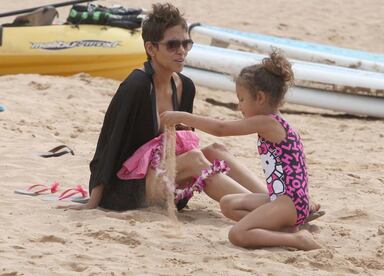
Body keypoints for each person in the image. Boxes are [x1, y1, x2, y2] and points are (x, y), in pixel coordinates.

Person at [59, 3, 263, 211]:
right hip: (126, 191)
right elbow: (109, 145)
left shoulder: (185, 87)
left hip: (168, 180)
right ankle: (264, 210)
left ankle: (278, 203)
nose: (181, 51)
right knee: (195, 159)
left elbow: (185, 143)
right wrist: (94, 200)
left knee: (216, 150)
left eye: (186, 43)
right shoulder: (136, 86)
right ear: (151, 48)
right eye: (172, 45)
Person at [160, 51, 321, 250]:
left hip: (289, 203)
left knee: (238, 234)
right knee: (228, 203)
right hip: (282, 199)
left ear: (260, 97)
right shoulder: (272, 122)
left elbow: (222, 129)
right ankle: (285, 231)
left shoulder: (268, 123)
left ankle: (297, 240)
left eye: (242, 99)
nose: (239, 106)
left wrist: (184, 117)